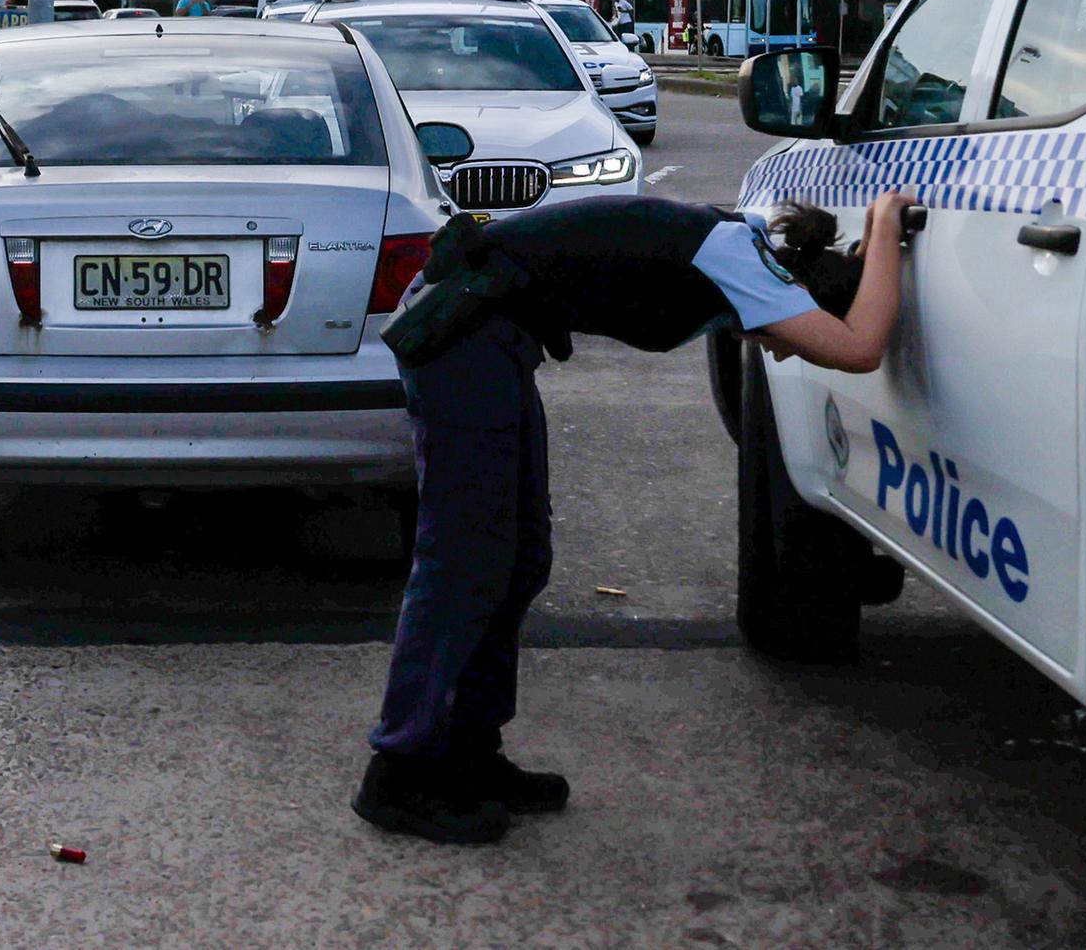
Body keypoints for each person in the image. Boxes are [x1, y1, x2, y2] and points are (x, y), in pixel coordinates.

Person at [354, 191, 919, 845]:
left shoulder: (746, 253)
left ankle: (468, 753)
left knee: (519, 557)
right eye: (794, 338)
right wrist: (884, 223)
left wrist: (874, 235)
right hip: (460, 331)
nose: (786, 353)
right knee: (467, 558)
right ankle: (398, 772)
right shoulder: (746, 265)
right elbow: (858, 348)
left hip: (490, 334)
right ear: (803, 298)